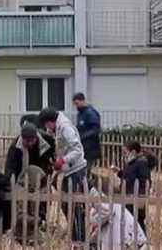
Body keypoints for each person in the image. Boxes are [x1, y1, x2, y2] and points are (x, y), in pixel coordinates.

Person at [37, 108, 87, 245]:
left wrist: (63, 160)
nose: (47, 129)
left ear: (50, 121)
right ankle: (75, 238)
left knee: (75, 207)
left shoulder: (65, 127)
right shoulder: (56, 128)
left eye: (46, 125)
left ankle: (79, 240)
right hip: (67, 171)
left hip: (76, 170)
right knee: (67, 206)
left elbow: (77, 149)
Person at [113, 141, 157, 232]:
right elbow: (130, 176)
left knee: (137, 221)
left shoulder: (141, 163)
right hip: (129, 197)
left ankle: (142, 241)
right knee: (131, 221)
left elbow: (145, 181)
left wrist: (141, 196)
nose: (124, 155)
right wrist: (120, 172)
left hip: (136, 198)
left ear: (133, 152)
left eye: (125, 152)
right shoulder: (132, 162)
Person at [73, 93, 101, 170]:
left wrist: (82, 137)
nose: (76, 106)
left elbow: (95, 129)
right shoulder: (81, 114)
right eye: (75, 104)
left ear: (83, 101)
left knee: (86, 170)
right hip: (83, 147)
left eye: (77, 103)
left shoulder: (90, 113)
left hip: (90, 148)